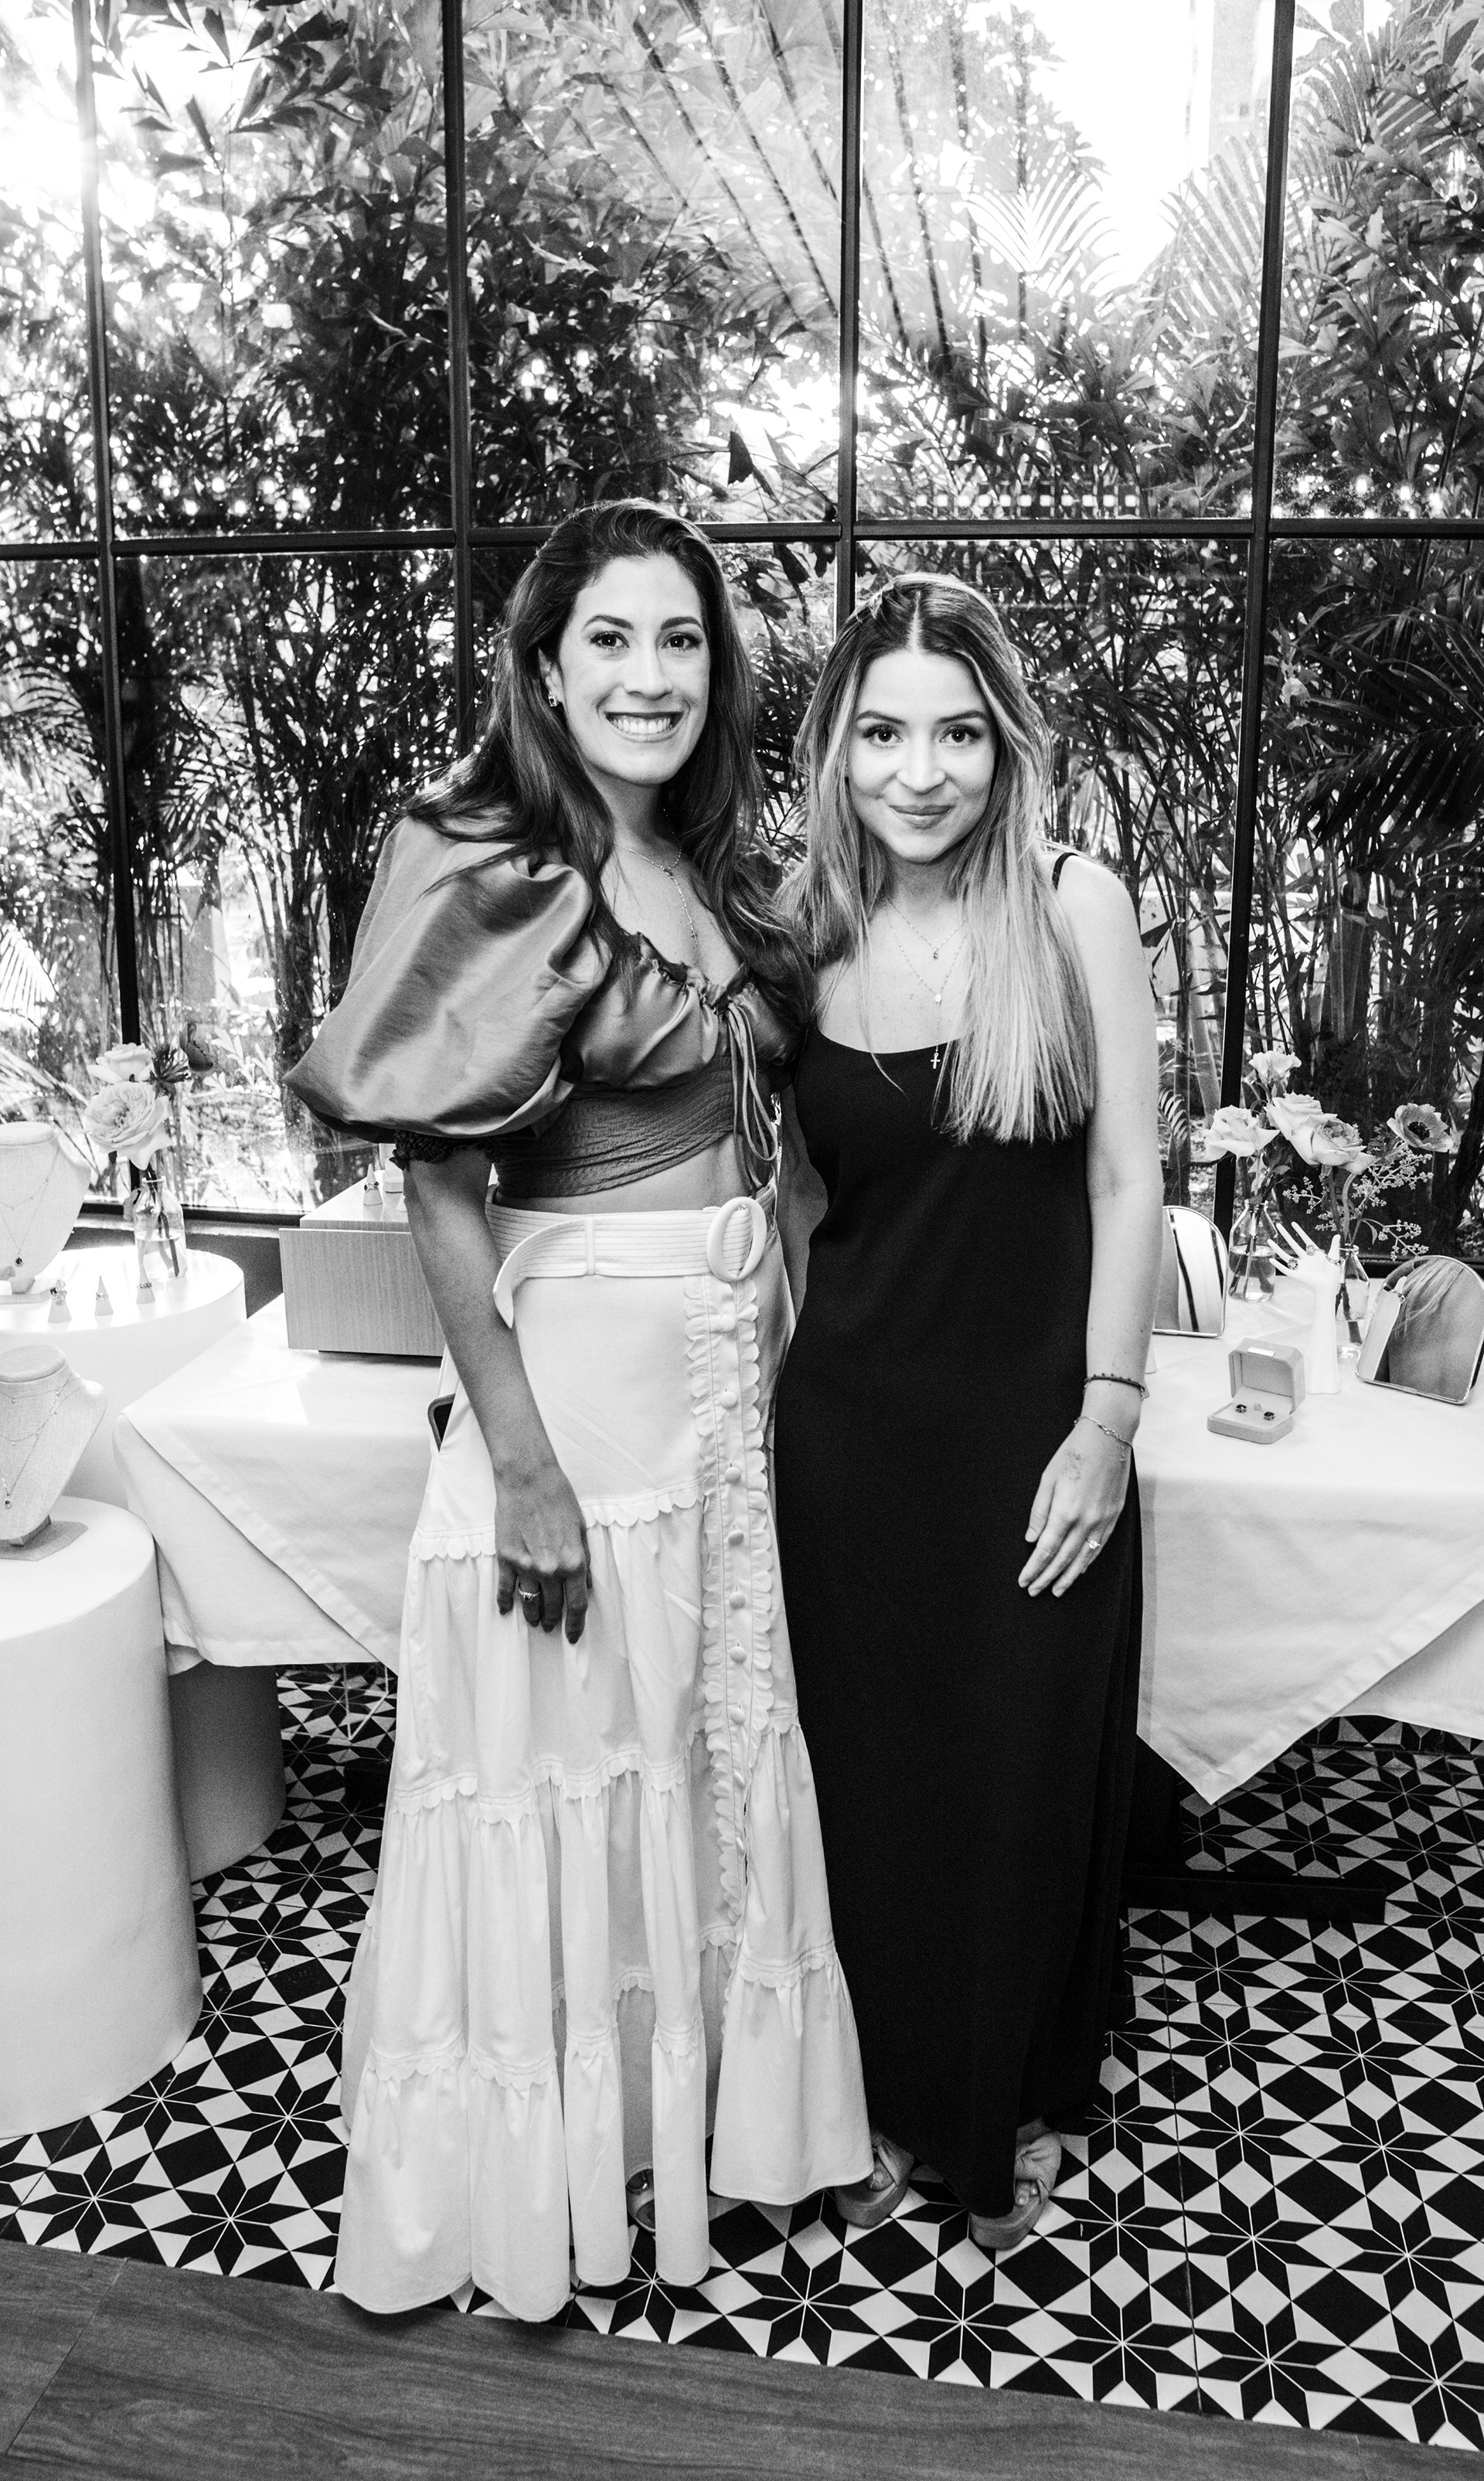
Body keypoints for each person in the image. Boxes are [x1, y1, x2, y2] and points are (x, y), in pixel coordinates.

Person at [288, 501, 870, 2321]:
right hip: (578, 1392)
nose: (648, 674)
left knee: (687, 1738)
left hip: (716, 1381)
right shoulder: (483, 855)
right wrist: (523, 1466)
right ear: (543, 668)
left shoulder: (712, 866)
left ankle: (668, 2124)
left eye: (680, 638)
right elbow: (439, 1183)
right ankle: (526, 2183)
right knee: (558, 1753)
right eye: (608, 638)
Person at [772, 572, 1162, 2252]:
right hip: (851, 1438)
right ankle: (879, 2092)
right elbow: (793, 1203)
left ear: (1006, 747)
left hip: (1033, 1431)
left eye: (956, 734)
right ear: (836, 747)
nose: (917, 772)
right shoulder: (799, 930)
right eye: (882, 733)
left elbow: (1130, 1177)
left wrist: (1107, 1421)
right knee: (867, 1785)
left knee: (1018, 1776)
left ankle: (1002, 2098)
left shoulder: (1074, 904)